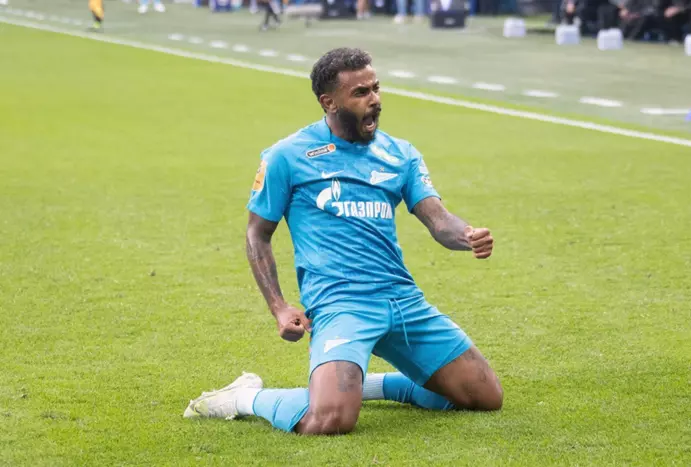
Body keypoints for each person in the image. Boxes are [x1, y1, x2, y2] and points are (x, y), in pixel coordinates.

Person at [183, 48, 503, 435]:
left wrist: (467, 236)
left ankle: (358, 387)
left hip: (402, 300)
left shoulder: (400, 154)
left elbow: (439, 220)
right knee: (330, 420)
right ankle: (243, 397)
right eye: (361, 93)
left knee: (484, 397)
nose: (375, 99)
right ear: (329, 102)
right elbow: (257, 233)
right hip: (340, 303)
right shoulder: (287, 156)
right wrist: (279, 307)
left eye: (376, 88)